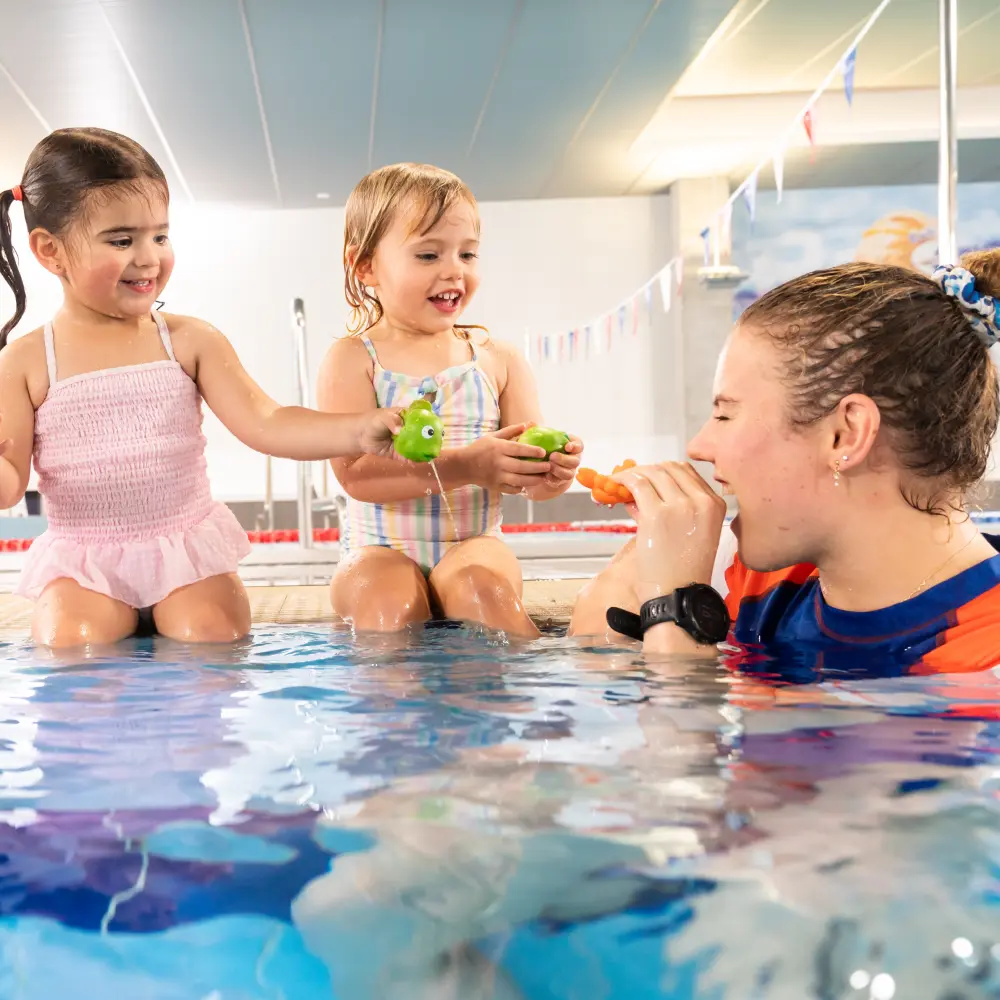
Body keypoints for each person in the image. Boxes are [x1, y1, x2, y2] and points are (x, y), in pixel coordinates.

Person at [0, 128, 403, 648]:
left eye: (160, 236)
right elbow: (12, 478)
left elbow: (267, 422)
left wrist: (358, 430)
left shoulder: (188, 341)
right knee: (70, 643)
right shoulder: (28, 360)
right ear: (50, 251)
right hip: (84, 560)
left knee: (213, 635)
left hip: (184, 551)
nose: (148, 258)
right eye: (122, 240)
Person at [571, 252, 1000, 675]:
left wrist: (676, 614)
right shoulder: (758, 580)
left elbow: (676, 742)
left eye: (725, 413)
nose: (699, 445)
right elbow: (592, 651)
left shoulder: (985, 663)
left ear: (845, 434)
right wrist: (653, 568)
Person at [317, 163, 582, 637]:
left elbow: (531, 483)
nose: (454, 270)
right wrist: (469, 466)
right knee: (386, 608)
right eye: (427, 255)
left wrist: (552, 474)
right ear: (366, 266)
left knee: (485, 594)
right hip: (379, 548)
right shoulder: (353, 359)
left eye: (468, 254)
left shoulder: (497, 360)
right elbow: (355, 475)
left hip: (474, 543)